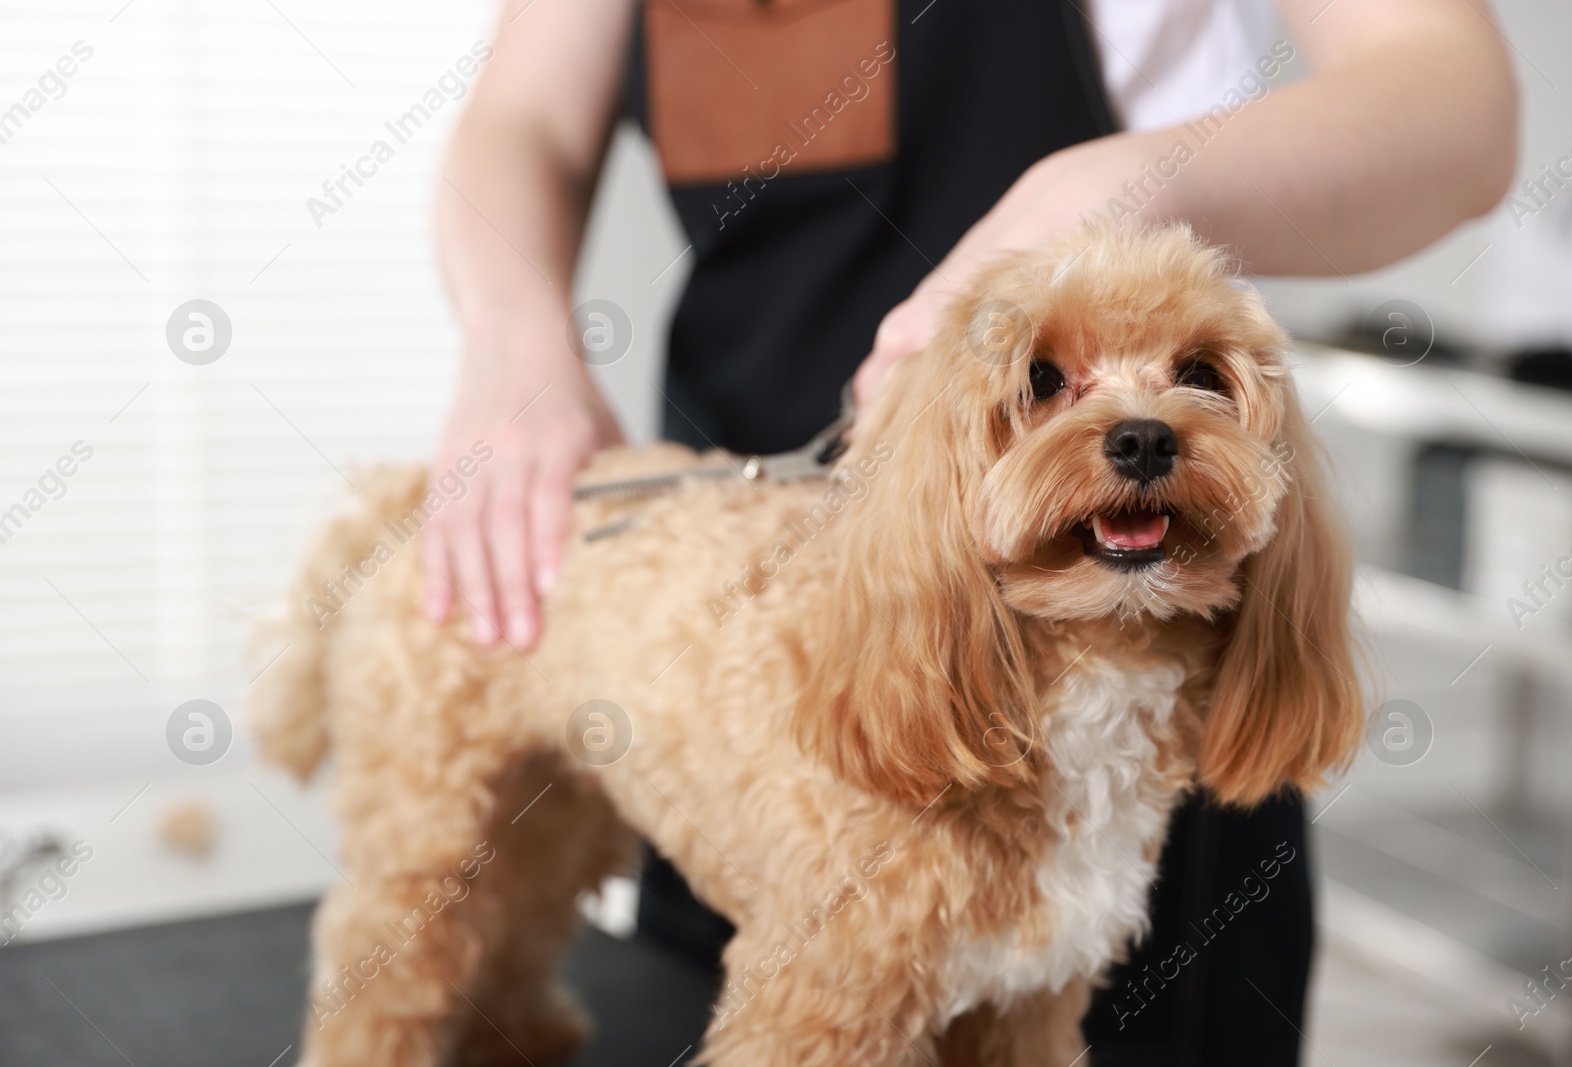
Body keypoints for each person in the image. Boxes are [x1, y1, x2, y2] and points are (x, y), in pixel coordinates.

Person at [426, 1, 1516, 1062]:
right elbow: (520, 118)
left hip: (1159, 798)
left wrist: (1120, 189)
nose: (1135, 421)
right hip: (750, 659)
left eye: (1191, 374)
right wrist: (512, 334)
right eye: (1048, 381)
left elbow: (1458, 104)